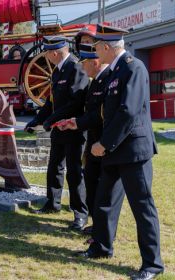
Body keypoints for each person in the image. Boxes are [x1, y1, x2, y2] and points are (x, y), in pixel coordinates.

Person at [77, 24, 164, 280]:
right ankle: (101, 247)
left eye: (96, 48)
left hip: (134, 151)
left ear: (106, 47)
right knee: (104, 201)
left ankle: (152, 264)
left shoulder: (133, 67)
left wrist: (103, 144)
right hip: (115, 150)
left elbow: (128, 111)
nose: (94, 54)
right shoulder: (115, 71)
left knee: (142, 207)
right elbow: (106, 113)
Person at [57, 42, 124, 237]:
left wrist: (78, 123)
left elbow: (101, 115)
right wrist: (75, 122)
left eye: (84, 63)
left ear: (94, 63)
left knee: (104, 190)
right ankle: (97, 225)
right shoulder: (96, 81)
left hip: (103, 144)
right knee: (92, 186)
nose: (81, 67)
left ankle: (102, 229)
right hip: (93, 142)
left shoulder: (106, 80)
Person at [25, 36, 90, 231]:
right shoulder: (57, 71)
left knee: (74, 172)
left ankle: (80, 213)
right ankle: (52, 203)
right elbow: (51, 102)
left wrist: (50, 120)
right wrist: (36, 120)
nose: (45, 56)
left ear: (54, 53)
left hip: (73, 129)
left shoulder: (76, 67)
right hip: (59, 130)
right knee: (54, 167)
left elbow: (76, 102)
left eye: (46, 53)